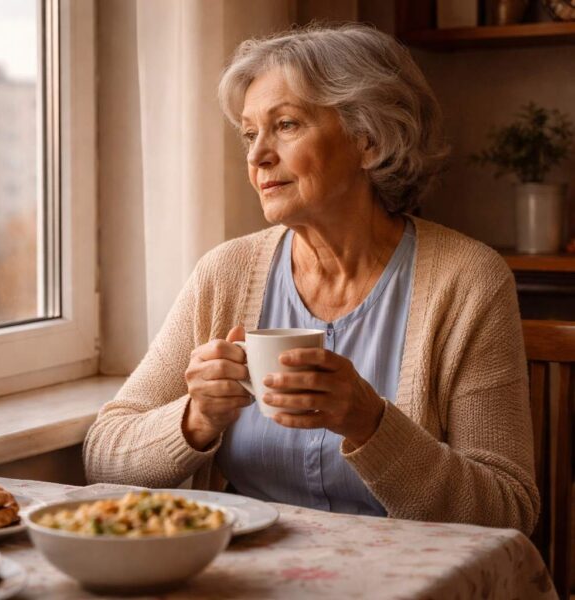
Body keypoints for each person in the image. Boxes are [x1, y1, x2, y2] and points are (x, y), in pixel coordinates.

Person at [83, 23, 538, 534]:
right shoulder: (225, 272)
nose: (257, 156)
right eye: (251, 134)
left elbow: (508, 510)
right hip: (251, 577)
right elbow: (105, 455)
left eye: (287, 125)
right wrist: (196, 417)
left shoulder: (467, 279)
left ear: (368, 140)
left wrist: (371, 424)